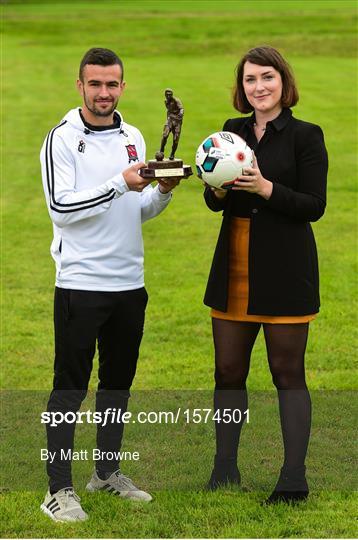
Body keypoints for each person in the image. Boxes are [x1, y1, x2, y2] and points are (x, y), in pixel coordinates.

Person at [39, 47, 180, 522]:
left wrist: (160, 193)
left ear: (123, 86)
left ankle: (105, 474)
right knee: (70, 389)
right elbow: (62, 208)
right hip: (80, 283)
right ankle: (58, 489)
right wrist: (121, 182)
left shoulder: (134, 136)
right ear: (79, 85)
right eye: (95, 84)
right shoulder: (61, 138)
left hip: (129, 283)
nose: (104, 92)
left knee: (117, 385)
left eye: (112, 84)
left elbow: (133, 212)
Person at [203, 46, 328, 504]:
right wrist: (214, 189)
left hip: (285, 267)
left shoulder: (306, 136)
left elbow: (314, 205)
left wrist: (266, 188)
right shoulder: (231, 132)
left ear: (283, 82)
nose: (259, 87)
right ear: (242, 87)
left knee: (286, 371)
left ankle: (293, 478)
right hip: (234, 258)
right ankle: (224, 469)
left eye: (267, 78)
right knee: (228, 371)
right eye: (251, 79)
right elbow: (215, 200)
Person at [158, 88, 184, 160]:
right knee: (165, 135)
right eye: (167, 94)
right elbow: (169, 111)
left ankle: (172, 154)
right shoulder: (166, 101)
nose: (168, 96)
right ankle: (161, 150)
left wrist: (181, 113)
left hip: (177, 122)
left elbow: (181, 109)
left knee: (176, 139)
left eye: (170, 94)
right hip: (170, 120)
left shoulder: (176, 100)